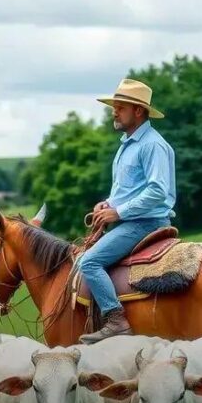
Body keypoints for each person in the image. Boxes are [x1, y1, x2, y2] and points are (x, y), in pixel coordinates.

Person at [77, 78, 176, 344]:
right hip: (131, 220)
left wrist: (118, 213)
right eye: (114, 107)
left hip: (145, 222)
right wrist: (108, 204)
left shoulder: (152, 145)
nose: (114, 112)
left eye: (120, 107)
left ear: (139, 111)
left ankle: (116, 320)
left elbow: (157, 191)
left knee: (89, 262)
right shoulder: (127, 144)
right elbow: (128, 189)